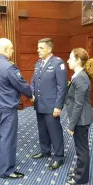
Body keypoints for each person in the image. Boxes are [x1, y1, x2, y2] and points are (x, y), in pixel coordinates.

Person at [0, 38, 33, 179]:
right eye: (11, 48)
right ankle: (7, 170)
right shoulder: (8, 67)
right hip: (8, 108)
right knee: (8, 139)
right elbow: (22, 85)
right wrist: (31, 94)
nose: (13, 51)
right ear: (6, 49)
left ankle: (0, 164)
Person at [30, 38, 67, 171]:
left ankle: (59, 156)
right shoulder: (38, 64)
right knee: (42, 130)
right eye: (38, 47)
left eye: (41, 48)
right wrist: (32, 93)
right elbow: (33, 82)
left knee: (54, 131)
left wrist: (58, 106)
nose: (37, 50)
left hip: (52, 106)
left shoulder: (58, 63)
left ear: (49, 49)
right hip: (39, 104)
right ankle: (45, 150)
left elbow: (62, 87)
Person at [65, 48, 93, 185]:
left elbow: (78, 105)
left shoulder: (81, 78)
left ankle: (81, 178)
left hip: (81, 120)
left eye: (70, 58)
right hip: (79, 118)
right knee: (80, 148)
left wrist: (71, 125)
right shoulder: (79, 76)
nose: (68, 61)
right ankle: (79, 171)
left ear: (78, 60)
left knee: (82, 149)